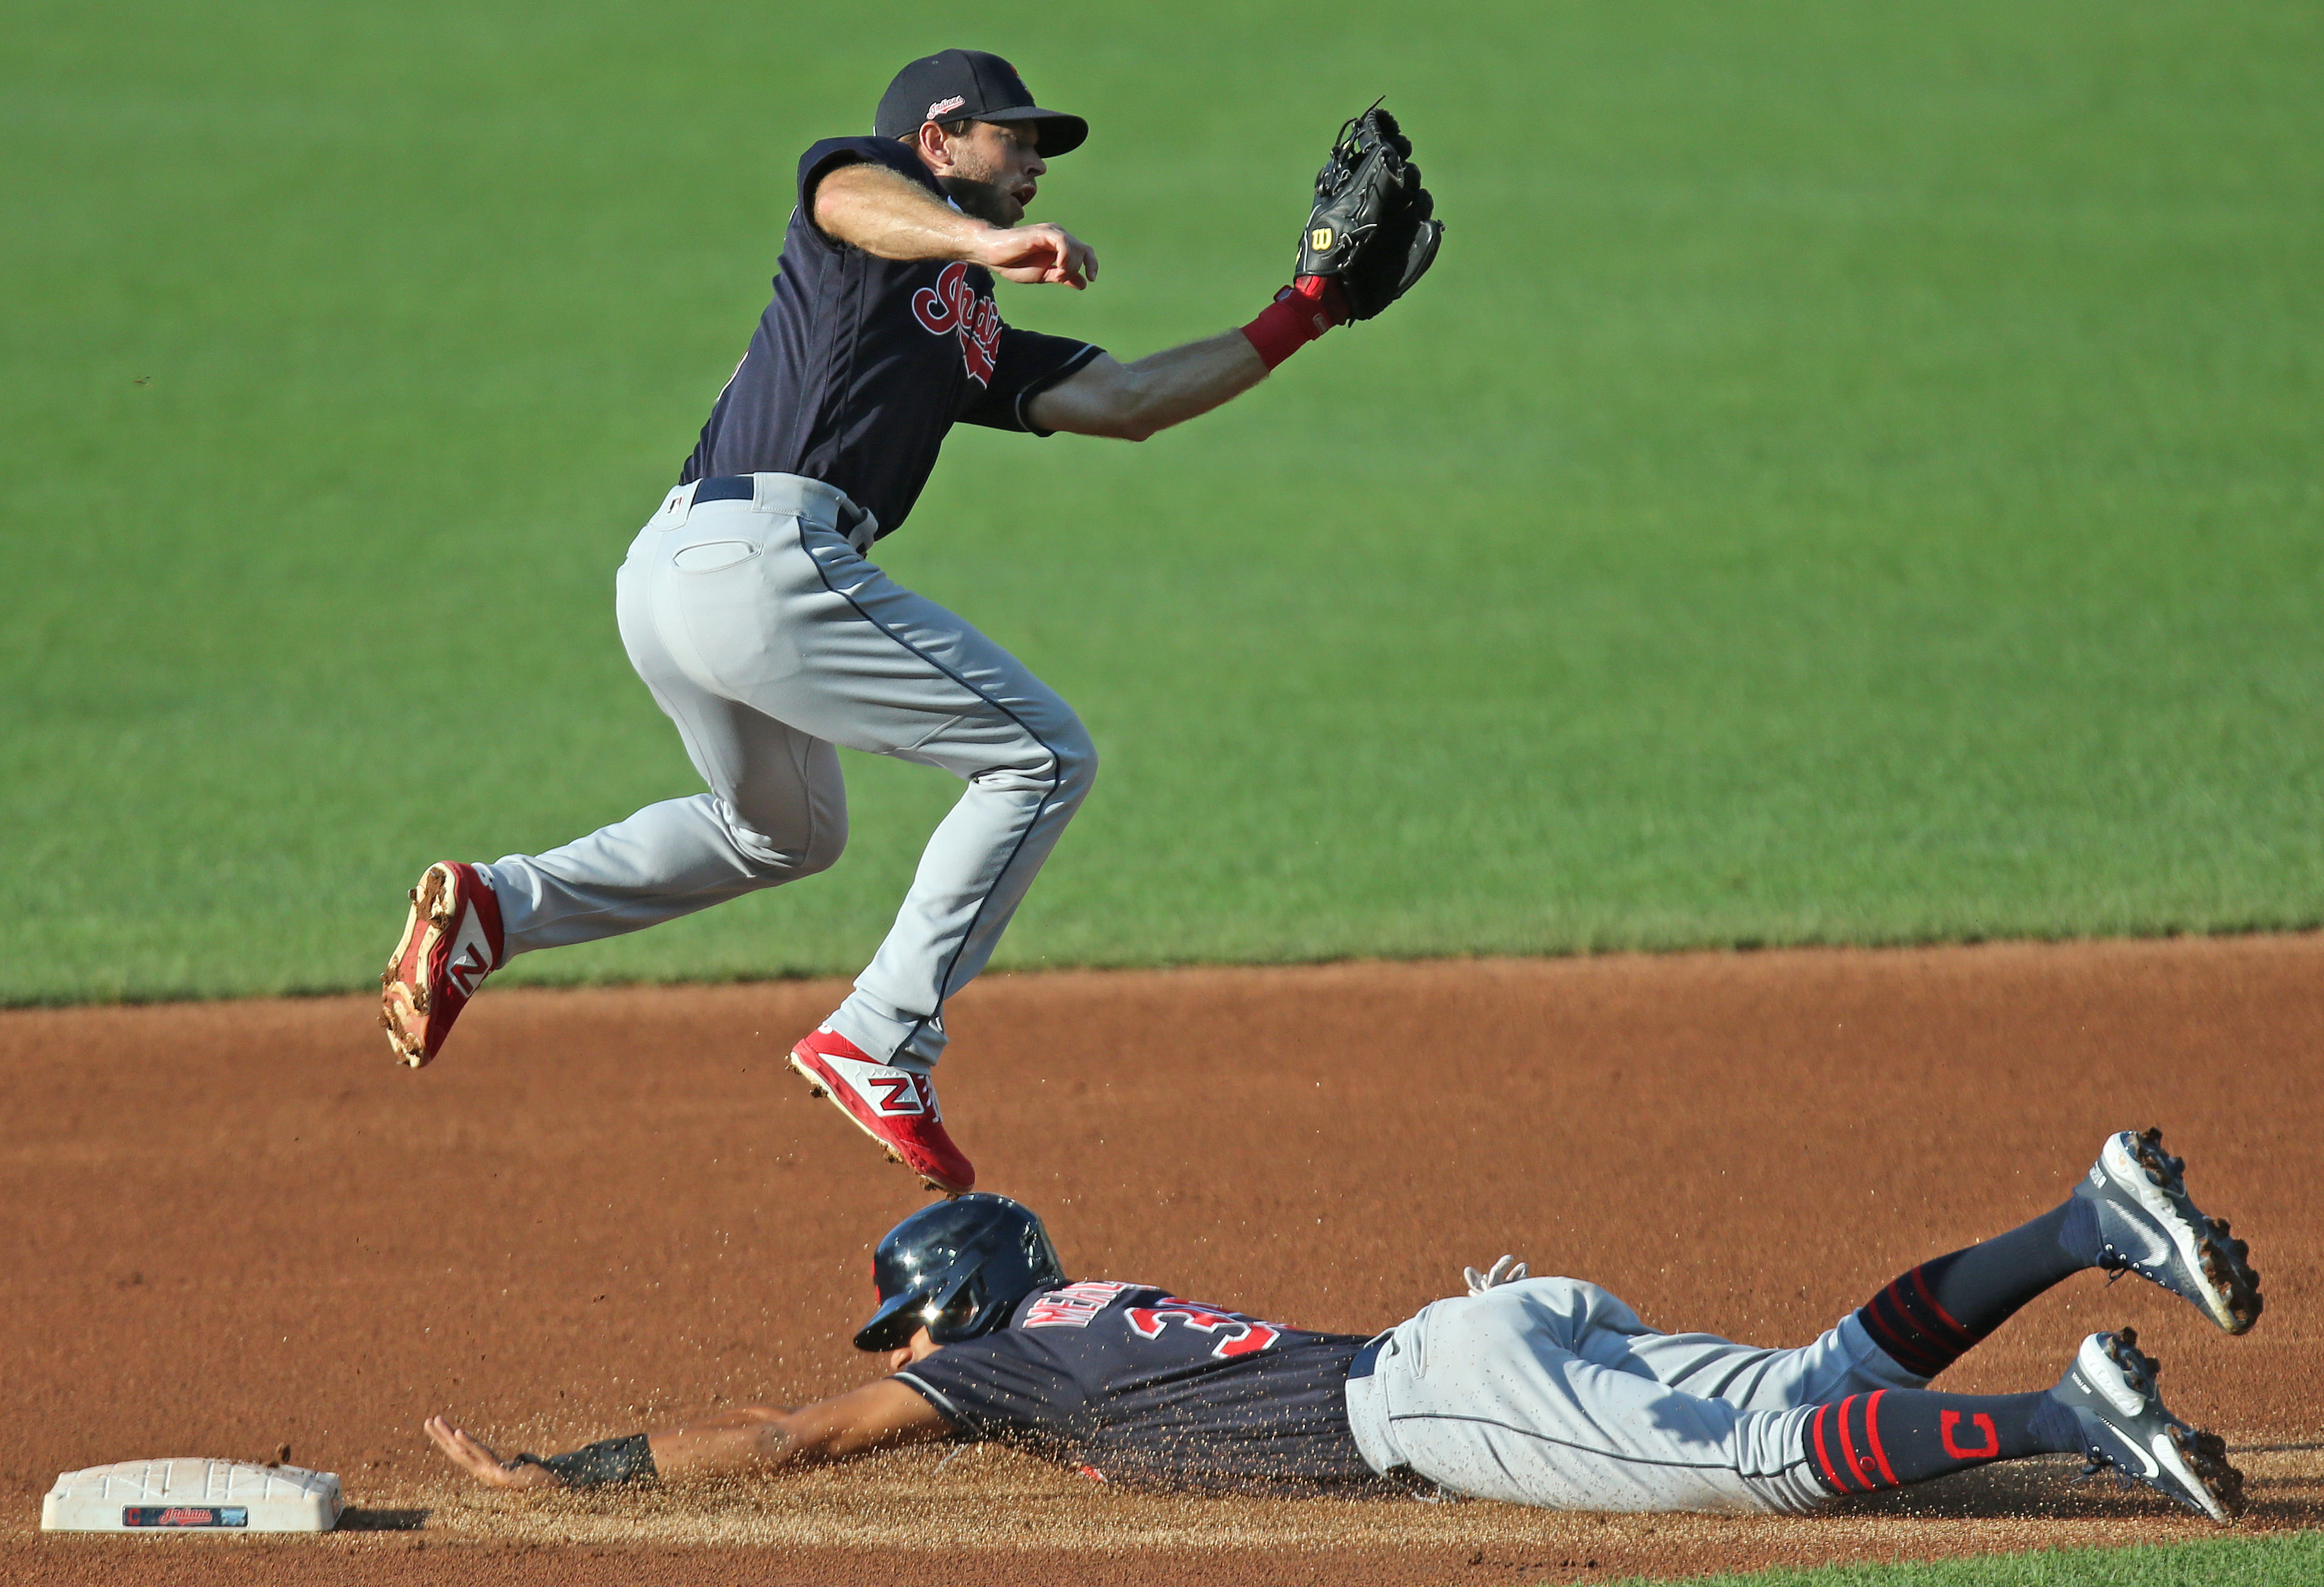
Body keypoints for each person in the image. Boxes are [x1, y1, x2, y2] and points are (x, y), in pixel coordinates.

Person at [377, 51, 1440, 1195]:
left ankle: (498, 905)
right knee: (1042, 755)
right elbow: (844, 197)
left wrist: (1308, 313)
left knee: (786, 833)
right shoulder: (872, 198)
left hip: (680, 576)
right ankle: (882, 1034)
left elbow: (1130, 403)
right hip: (757, 560)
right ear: (938, 139)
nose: (1034, 161)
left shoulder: (964, 322)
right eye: (1014, 137)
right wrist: (982, 243)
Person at [426, 1128, 2260, 1521]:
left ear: (949, 1313)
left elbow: (773, 1444)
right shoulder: (1083, 1316)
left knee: (1779, 1464)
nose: (900, 1361)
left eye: (905, 1332)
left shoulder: (995, 1365)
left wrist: (556, 1477)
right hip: (1483, 1330)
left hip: (1444, 1403)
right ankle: (2087, 1218)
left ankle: (2072, 1418)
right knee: (1808, 1381)